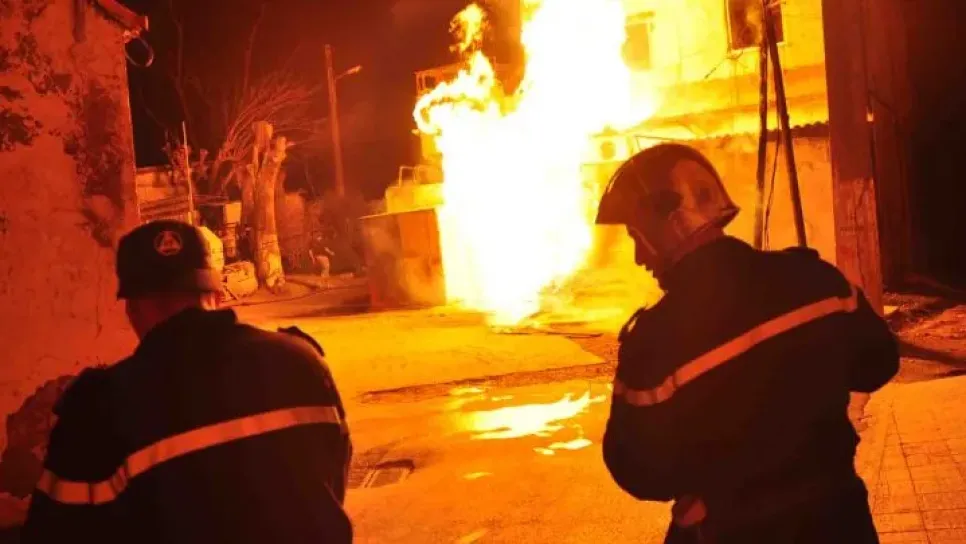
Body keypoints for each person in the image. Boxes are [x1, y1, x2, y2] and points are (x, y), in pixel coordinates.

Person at [597, 144, 898, 543]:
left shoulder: (653, 343)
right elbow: (879, 363)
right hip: (839, 521)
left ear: (670, 224)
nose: (638, 257)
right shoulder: (815, 280)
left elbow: (638, 470)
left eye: (637, 236)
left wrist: (712, 474)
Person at [22, 220, 353, 543]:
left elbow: (57, 530)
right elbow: (332, 480)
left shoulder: (97, 409)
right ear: (218, 296)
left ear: (132, 312)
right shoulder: (301, 363)